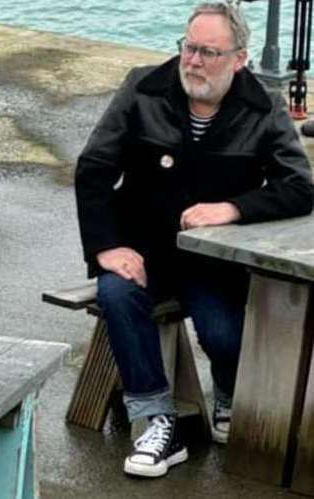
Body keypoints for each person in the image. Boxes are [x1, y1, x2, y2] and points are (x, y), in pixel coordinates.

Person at [75, 2, 314, 478]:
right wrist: (106, 247)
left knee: (224, 333)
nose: (194, 61)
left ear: (239, 59)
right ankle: (156, 422)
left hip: (213, 263)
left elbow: (300, 187)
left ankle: (227, 393)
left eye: (209, 51)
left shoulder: (262, 106)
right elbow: (94, 168)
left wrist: (235, 208)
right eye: (189, 47)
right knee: (117, 294)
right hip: (142, 249)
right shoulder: (142, 87)